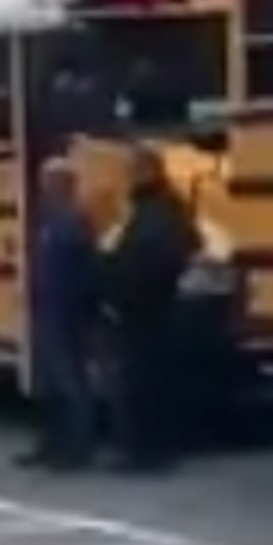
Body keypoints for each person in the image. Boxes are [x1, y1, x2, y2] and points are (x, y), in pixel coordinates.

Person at [101, 164, 200, 473]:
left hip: (141, 311)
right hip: (162, 308)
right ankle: (157, 450)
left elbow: (138, 264)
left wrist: (117, 293)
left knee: (137, 386)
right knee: (158, 384)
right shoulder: (172, 211)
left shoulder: (147, 217)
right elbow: (188, 246)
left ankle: (142, 452)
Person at [20, 158, 103, 472]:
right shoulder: (51, 220)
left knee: (70, 382)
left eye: (50, 182)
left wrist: (80, 307)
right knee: (49, 383)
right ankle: (51, 444)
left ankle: (76, 449)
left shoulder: (73, 223)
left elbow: (84, 272)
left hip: (65, 310)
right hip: (48, 306)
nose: (44, 188)